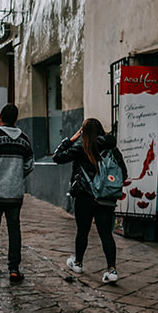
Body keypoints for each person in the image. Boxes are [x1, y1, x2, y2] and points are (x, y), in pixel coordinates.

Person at [52, 118, 128, 284]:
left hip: (84, 196)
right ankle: (112, 270)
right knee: (106, 234)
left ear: (84, 133)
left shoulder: (82, 147)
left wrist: (71, 139)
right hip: (106, 198)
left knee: (83, 231)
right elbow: (124, 173)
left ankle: (78, 263)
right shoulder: (112, 148)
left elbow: (57, 157)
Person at [0, 106, 34, 282]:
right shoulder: (24, 139)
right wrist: (16, 178)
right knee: (14, 228)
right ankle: (14, 269)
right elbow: (30, 165)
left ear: (0, 116)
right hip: (15, 193)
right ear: (16, 119)